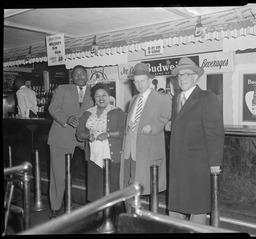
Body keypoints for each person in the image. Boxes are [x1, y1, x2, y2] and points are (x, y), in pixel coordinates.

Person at [165, 57, 224, 224]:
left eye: (186, 74)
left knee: (197, 208)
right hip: (178, 164)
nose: (182, 78)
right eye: (179, 75)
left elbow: (215, 133)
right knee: (176, 208)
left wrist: (214, 163)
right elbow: (182, 121)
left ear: (196, 77)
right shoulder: (177, 98)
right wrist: (171, 123)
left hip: (197, 165)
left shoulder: (207, 97)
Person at [120, 63, 172, 211]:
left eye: (142, 81)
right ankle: (130, 218)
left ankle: (148, 219)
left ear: (149, 80)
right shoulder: (133, 99)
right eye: (136, 81)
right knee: (129, 186)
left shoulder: (162, 98)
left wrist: (154, 126)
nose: (139, 84)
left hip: (148, 152)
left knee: (147, 187)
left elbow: (168, 118)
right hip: (130, 151)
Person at [47, 65, 94, 219]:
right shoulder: (62, 89)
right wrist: (66, 119)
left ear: (87, 76)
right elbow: (53, 108)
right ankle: (55, 207)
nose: (80, 77)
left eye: (83, 74)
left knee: (95, 170)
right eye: (76, 75)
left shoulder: (94, 92)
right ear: (71, 78)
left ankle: (94, 205)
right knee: (58, 174)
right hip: (62, 135)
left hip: (86, 136)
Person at [76, 83, 126, 217]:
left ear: (109, 96)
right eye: (97, 96)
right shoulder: (88, 113)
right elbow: (79, 132)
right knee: (96, 187)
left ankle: (116, 217)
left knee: (114, 187)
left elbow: (124, 131)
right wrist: (87, 136)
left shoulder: (117, 112)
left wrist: (108, 135)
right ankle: (100, 216)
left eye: (104, 95)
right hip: (93, 155)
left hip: (112, 156)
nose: (101, 98)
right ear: (93, 98)